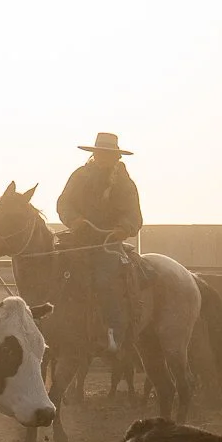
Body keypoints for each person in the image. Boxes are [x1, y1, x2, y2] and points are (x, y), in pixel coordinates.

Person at [56, 132, 144, 354]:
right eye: (100, 153)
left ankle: (113, 330)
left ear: (116, 157)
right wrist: (74, 220)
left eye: (108, 154)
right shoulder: (79, 176)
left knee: (105, 280)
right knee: (56, 272)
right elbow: (64, 203)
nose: (103, 158)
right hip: (78, 239)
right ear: (95, 154)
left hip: (108, 243)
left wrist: (122, 229)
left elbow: (134, 215)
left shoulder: (125, 184)